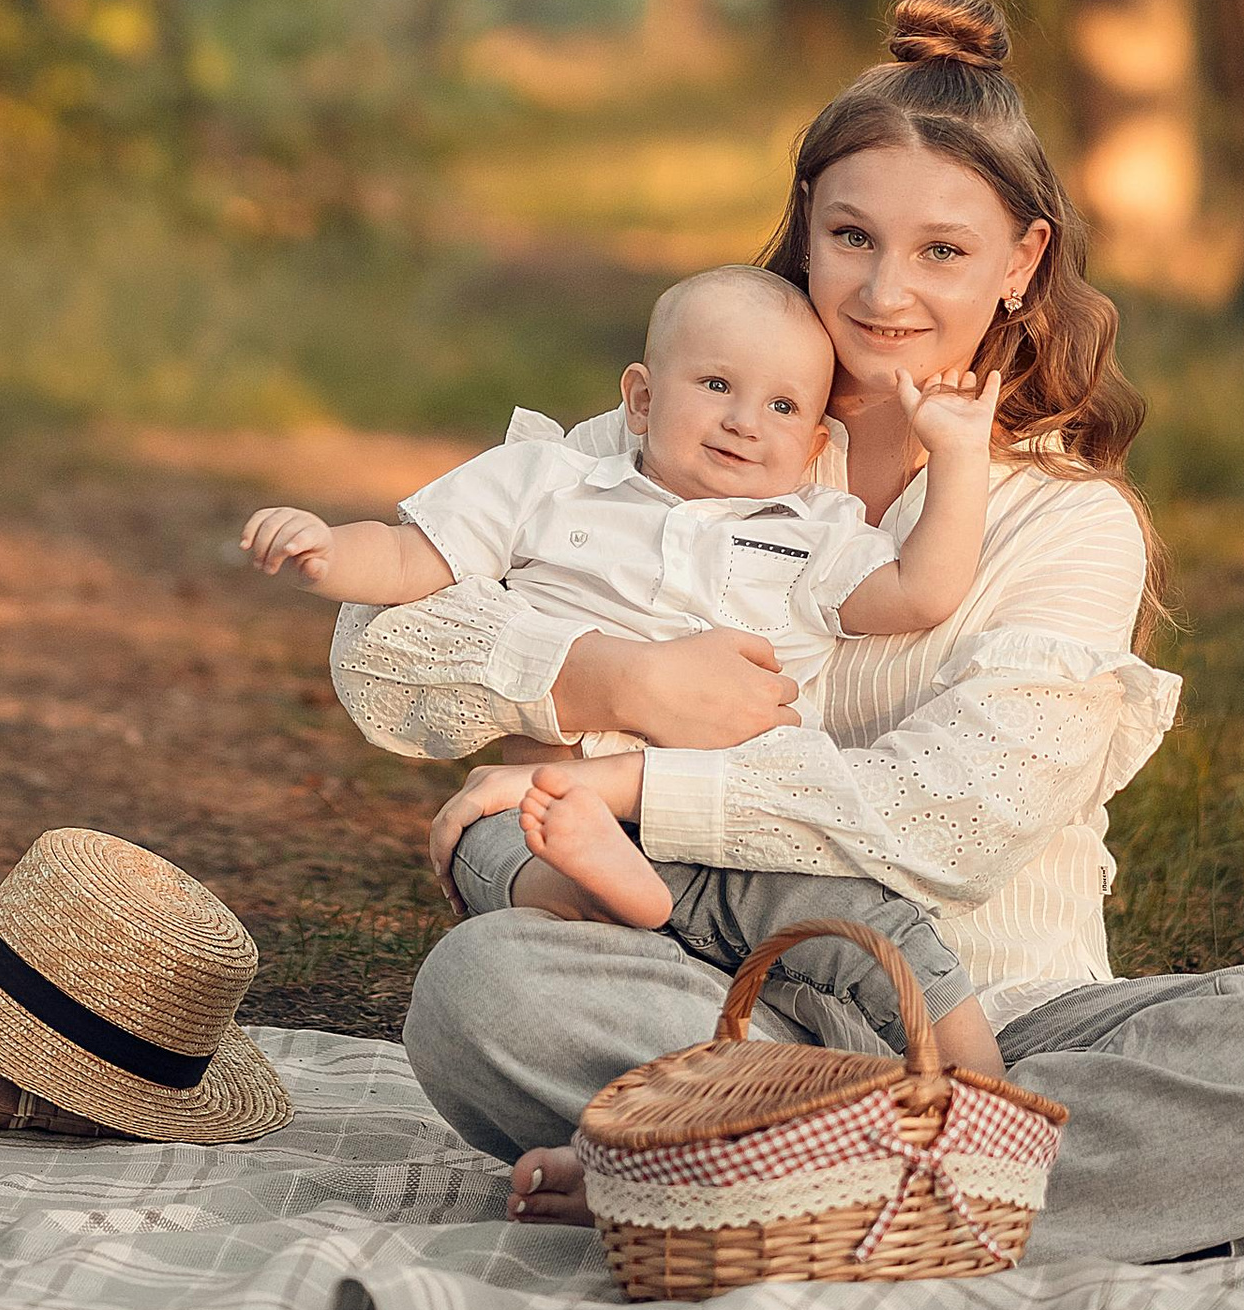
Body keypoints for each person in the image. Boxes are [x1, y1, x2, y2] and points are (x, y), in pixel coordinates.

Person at [329, 0, 1244, 1266]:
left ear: (1023, 262)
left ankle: (749, 1177)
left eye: (942, 252)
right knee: (484, 995)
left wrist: (643, 773)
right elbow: (378, 647)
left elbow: (952, 819)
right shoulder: (692, 434)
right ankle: (937, 1187)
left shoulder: (1066, 523)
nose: (884, 291)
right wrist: (603, 672)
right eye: (851, 235)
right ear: (804, 226)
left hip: (1006, 1022)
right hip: (727, 1004)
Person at [245, 261, 1016, 1070]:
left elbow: (921, 591)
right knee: (486, 847)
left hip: (740, 832)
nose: (746, 422)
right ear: (642, 399)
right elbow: (411, 558)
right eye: (717, 384)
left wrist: (959, 456)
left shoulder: (812, 533)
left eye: (784, 406)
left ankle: (984, 1089)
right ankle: (593, 892)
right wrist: (328, 553)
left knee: (880, 930)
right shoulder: (550, 483)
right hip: (554, 814)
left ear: (816, 443)